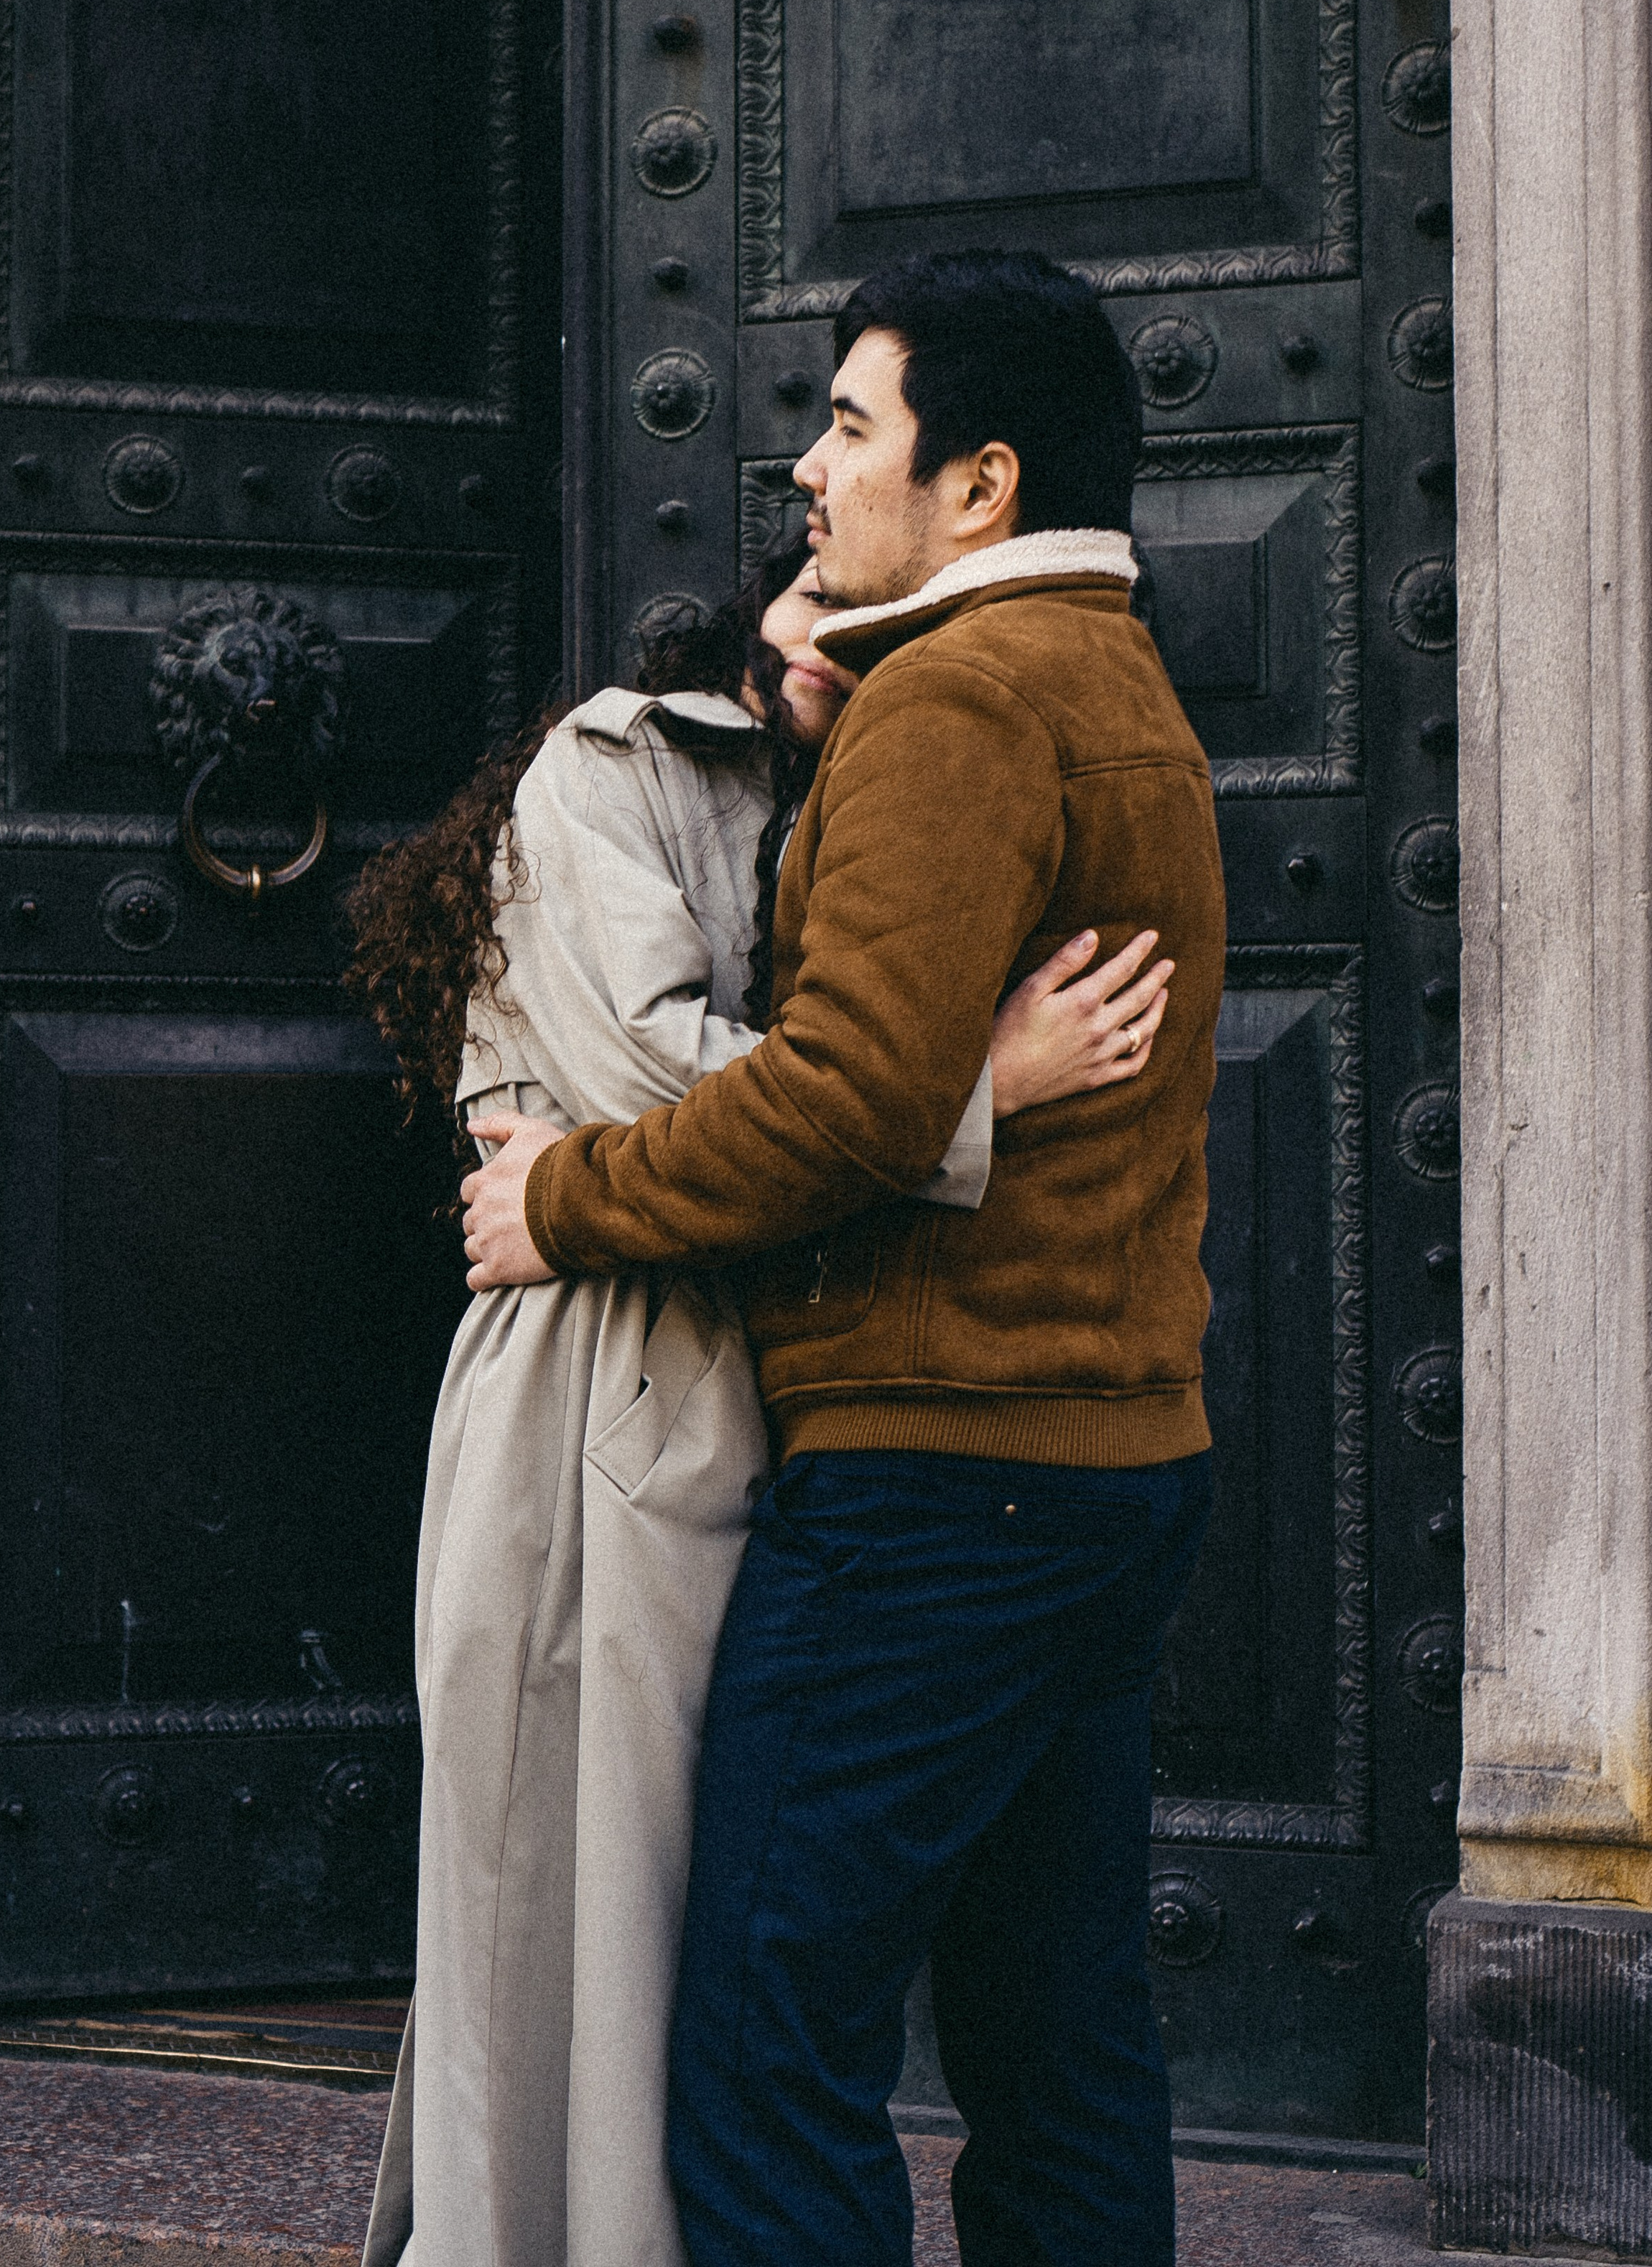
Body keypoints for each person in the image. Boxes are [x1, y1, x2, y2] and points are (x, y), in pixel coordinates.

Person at [460, 249, 1228, 2267]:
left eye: (853, 426)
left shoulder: (959, 696)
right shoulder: (1117, 682)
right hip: (1107, 1465)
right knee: (1059, 2052)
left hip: (929, 1486)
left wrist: (563, 1204)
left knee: (756, 2049)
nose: (811, 467)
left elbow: (845, 1107)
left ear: (977, 484)